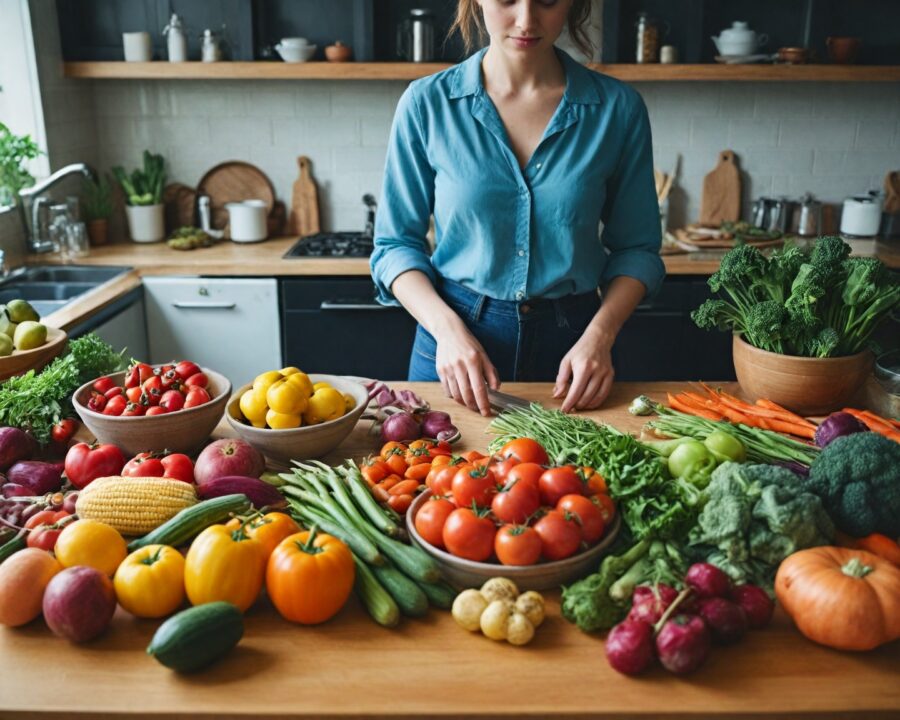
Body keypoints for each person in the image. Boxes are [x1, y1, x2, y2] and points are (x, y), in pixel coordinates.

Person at [371, 0, 664, 417]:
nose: (526, 20)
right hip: (453, 346)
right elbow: (394, 246)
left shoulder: (618, 109)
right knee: (433, 479)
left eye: (547, 1)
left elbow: (637, 250)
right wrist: (448, 332)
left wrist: (600, 337)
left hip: (576, 352)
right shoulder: (426, 103)